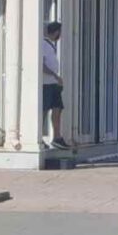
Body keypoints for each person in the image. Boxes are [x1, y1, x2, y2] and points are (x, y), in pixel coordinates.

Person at [42, 22, 69, 150]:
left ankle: (57, 137)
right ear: (56, 32)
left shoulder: (51, 45)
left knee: (57, 108)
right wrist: (55, 76)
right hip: (46, 83)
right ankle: (39, 137)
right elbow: (42, 65)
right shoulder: (43, 44)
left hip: (53, 83)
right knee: (44, 110)